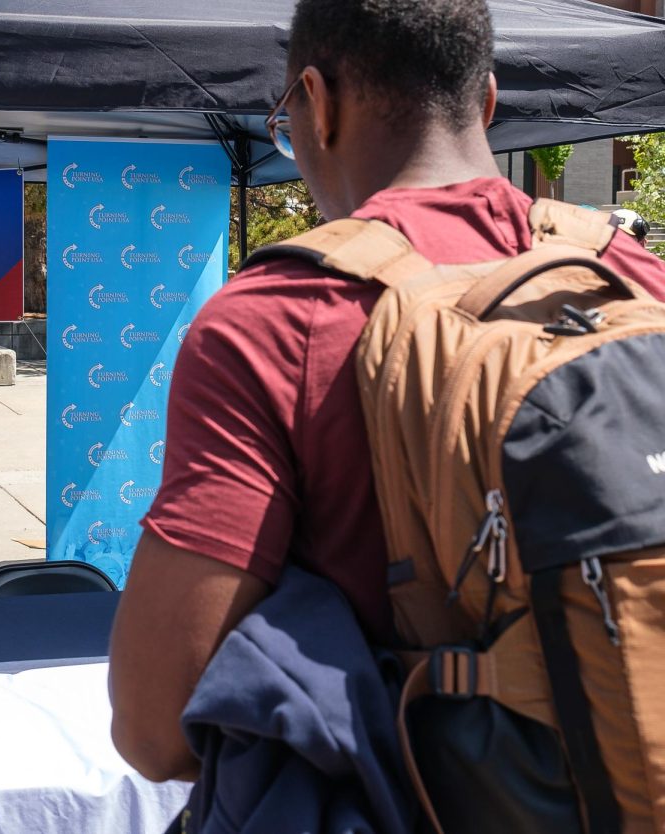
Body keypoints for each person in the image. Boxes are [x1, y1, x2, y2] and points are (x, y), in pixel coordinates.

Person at [108, 0, 665, 786]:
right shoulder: (635, 276)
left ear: (317, 101)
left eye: (284, 120)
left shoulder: (274, 320)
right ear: (488, 100)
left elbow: (155, 729)